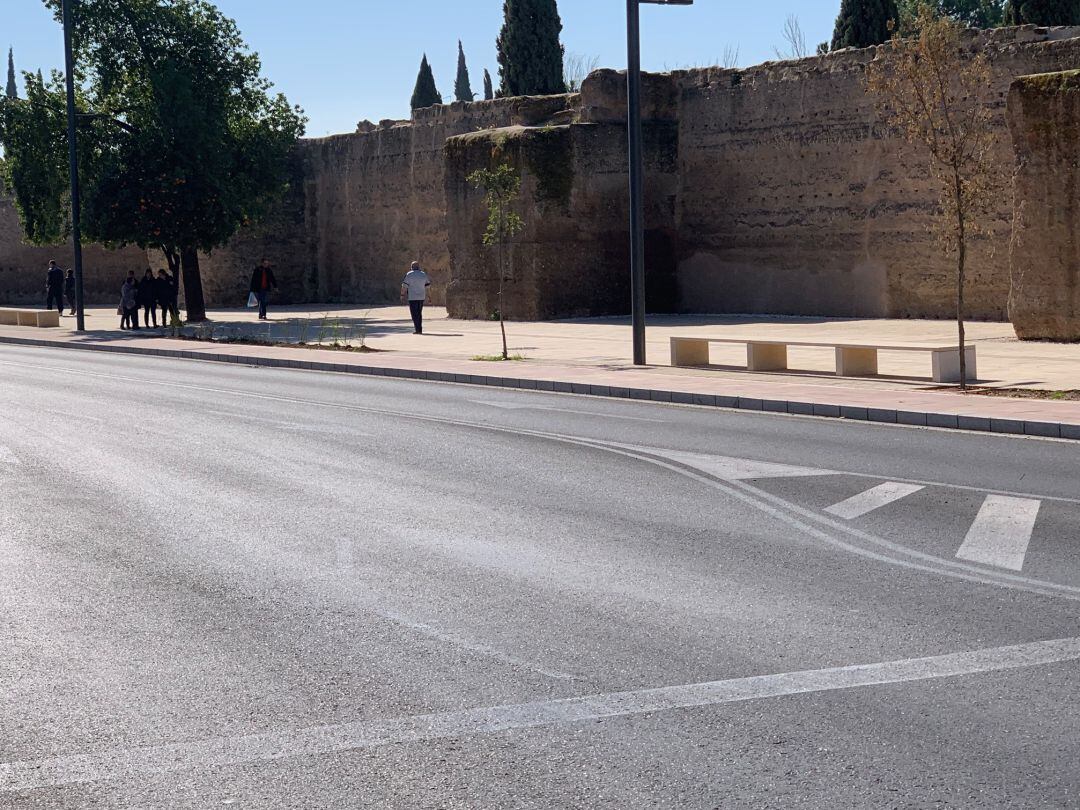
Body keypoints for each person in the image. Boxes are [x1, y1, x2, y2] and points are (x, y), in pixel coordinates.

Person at [400, 261, 431, 335]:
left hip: (412, 297)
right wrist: (429, 297)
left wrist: (402, 295)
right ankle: (419, 329)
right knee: (419, 313)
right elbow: (428, 287)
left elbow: (404, 286)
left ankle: (417, 330)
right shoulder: (423, 274)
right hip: (421, 297)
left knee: (414, 314)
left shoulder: (409, 274)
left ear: (411, 267)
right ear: (418, 267)